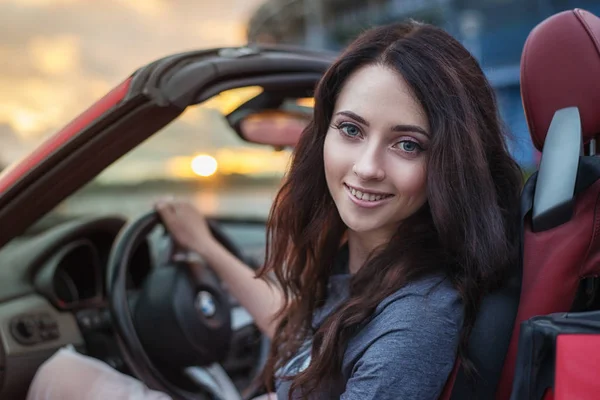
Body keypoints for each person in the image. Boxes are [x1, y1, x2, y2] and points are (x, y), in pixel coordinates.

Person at [27, 20, 522, 400]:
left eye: (408, 144)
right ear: (324, 133)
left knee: (56, 373)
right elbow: (300, 336)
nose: (367, 167)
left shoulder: (416, 319)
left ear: (451, 162)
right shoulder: (374, 261)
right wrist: (205, 247)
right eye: (351, 130)